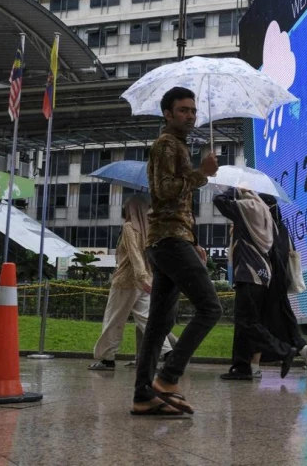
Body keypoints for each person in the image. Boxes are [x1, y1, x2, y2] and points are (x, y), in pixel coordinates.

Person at [131, 87, 221, 417]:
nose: (190, 115)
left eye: (193, 110)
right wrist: (202, 173)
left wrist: (192, 239)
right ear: (168, 114)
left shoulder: (179, 146)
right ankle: (168, 378)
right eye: (183, 110)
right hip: (168, 240)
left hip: (171, 238)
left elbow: (179, 203)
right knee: (210, 308)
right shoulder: (166, 145)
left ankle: (143, 396)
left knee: (158, 323)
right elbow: (163, 191)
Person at [213, 187, 298, 380]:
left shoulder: (249, 206)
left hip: (250, 273)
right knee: (246, 322)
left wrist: (232, 189)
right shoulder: (264, 210)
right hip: (260, 273)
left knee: (247, 322)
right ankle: (242, 368)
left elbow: (219, 201)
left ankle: (284, 350)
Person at [88, 195, 175, 371]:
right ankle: (168, 353)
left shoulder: (129, 227)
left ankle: (107, 359)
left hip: (126, 281)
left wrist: (141, 276)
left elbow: (134, 253)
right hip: (145, 283)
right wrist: (147, 278)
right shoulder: (150, 229)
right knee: (147, 320)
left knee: (114, 319)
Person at [259, 193, 307, 376]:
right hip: (281, 280)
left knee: (259, 321)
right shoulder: (282, 227)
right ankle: (301, 348)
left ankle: (288, 351)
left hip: (269, 280)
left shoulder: (265, 226)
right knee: (284, 317)